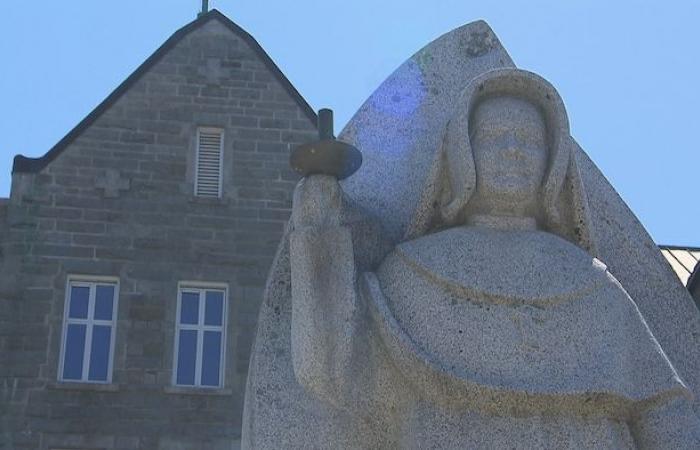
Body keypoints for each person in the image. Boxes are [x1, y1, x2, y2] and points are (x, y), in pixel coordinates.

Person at [244, 68, 700, 449]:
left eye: (528, 140)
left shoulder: (592, 284)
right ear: (463, 155)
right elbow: (338, 369)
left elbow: (663, 406)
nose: (512, 152)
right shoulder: (415, 273)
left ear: (553, 161)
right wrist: (320, 231)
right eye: (494, 137)